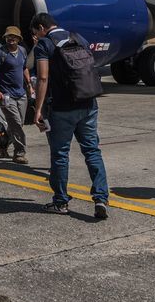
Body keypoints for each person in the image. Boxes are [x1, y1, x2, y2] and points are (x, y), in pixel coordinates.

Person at [30, 13, 109, 220]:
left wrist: (37, 109)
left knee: (60, 155)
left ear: (41, 27)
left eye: (35, 32)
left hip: (62, 109)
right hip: (88, 103)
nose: (35, 36)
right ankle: (101, 198)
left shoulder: (44, 45)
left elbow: (43, 77)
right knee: (92, 151)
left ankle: (61, 201)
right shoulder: (78, 37)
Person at [0, 26, 32, 163]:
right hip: (5, 95)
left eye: (13, 37)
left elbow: (24, 68)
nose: (11, 39)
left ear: (19, 39)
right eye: (8, 37)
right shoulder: (0, 53)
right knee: (16, 123)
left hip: (21, 94)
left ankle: (3, 143)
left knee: (18, 124)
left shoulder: (23, 51)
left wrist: (29, 84)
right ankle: (19, 152)